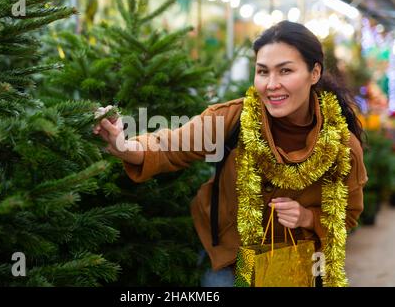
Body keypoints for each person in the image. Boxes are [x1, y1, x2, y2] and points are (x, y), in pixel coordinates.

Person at [93, 20, 368, 287]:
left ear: (314, 73)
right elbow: (170, 146)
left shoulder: (342, 147)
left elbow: (348, 216)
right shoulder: (234, 118)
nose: (271, 84)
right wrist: (124, 146)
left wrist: (307, 218)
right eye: (262, 71)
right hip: (231, 257)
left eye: (285, 71)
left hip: (293, 265)